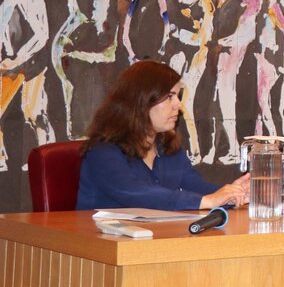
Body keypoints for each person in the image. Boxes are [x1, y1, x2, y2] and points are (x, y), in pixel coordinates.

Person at [76, 61, 249, 211]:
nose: (178, 104)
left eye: (177, 96)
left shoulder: (167, 146)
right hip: (99, 238)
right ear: (141, 101)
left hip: (154, 236)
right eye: (169, 97)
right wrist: (208, 201)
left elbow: (197, 187)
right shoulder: (103, 151)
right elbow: (135, 193)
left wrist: (233, 194)